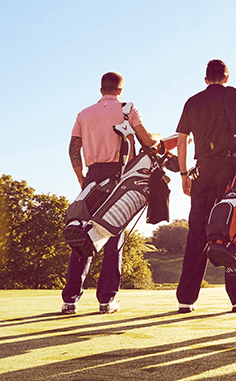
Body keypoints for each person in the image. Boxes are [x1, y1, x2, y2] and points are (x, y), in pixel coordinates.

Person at [175, 59, 236, 314]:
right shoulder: (235, 94)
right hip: (231, 171)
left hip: (201, 171)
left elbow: (182, 140)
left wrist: (184, 173)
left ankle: (186, 300)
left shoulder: (192, 101)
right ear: (226, 77)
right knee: (234, 228)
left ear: (206, 79)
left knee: (197, 232)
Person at [63, 72, 158, 314]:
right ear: (120, 90)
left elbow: (73, 148)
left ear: (101, 89)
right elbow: (147, 140)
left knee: (83, 235)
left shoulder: (84, 114)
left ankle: (70, 300)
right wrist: (156, 138)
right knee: (113, 236)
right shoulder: (128, 108)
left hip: (91, 176)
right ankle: (106, 300)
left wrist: (81, 178)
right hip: (119, 177)